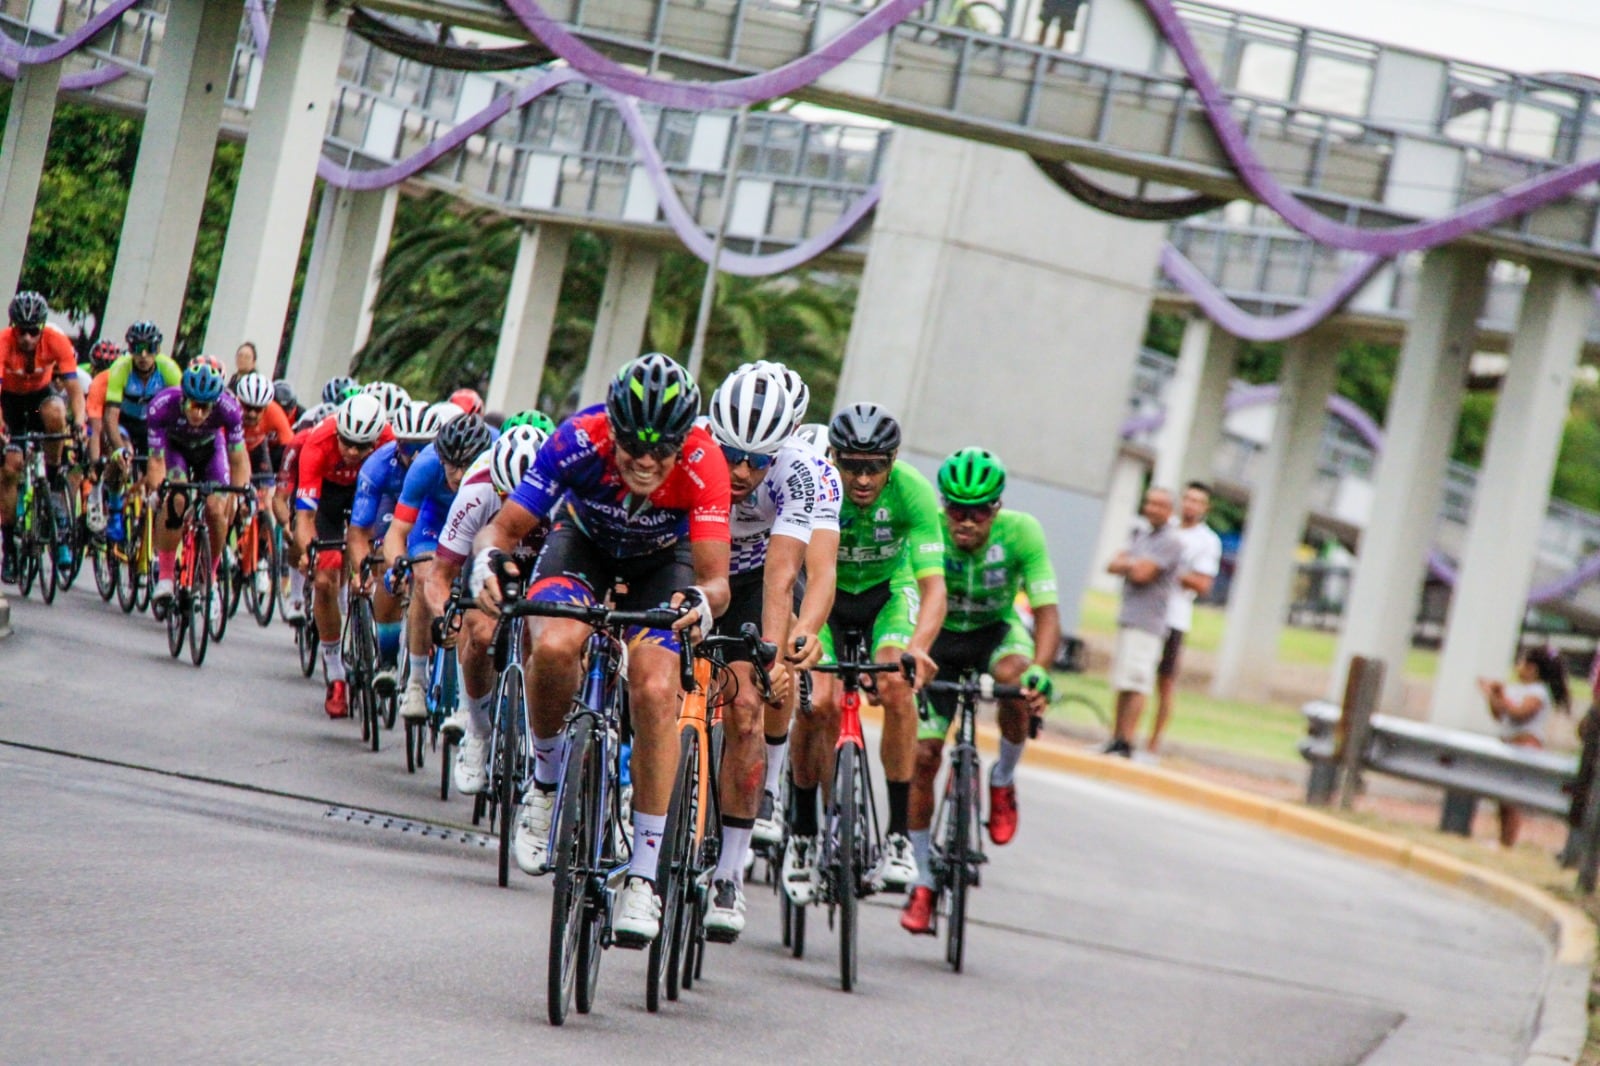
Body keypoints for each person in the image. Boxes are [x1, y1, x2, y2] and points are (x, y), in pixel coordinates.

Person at [473, 352, 729, 947]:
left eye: (659, 448)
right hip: (581, 546)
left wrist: (701, 600)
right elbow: (504, 531)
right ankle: (542, 781)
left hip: (664, 566)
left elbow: (715, 579)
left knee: (655, 686)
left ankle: (642, 875)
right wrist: (487, 563)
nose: (644, 460)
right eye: (631, 445)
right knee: (556, 643)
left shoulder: (703, 463)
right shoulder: (576, 440)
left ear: (681, 441)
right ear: (609, 428)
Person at [785, 402, 946, 902]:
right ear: (832, 456)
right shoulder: (814, 486)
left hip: (885, 596)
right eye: (850, 464)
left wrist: (918, 648)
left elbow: (933, 586)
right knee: (819, 704)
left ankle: (898, 837)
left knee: (897, 685)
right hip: (824, 600)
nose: (861, 477)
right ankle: (804, 833)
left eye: (873, 466)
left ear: (891, 463)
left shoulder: (913, 492)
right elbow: (788, 572)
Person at [698, 363, 835, 941]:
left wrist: (777, 655)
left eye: (758, 460)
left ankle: (730, 869)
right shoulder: (694, 446)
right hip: (692, 560)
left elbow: (797, 575)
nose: (742, 471)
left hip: (757, 576)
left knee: (751, 700)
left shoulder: (806, 473)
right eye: (732, 455)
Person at [901, 447, 1058, 935]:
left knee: (1016, 682)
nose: (965, 520)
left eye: (979, 511)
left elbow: (1047, 612)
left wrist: (1042, 671)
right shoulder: (927, 527)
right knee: (924, 756)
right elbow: (908, 595)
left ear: (997, 508)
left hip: (994, 632)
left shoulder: (1022, 532)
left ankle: (1003, 779)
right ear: (943, 505)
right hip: (939, 639)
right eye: (956, 509)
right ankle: (922, 880)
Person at [294, 393, 392, 718]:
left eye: (362, 447)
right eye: (346, 442)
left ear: (377, 441)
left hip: (372, 492)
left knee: (380, 560)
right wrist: (310, 550)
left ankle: (379, 640)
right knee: (325, 577)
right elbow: (306, 518)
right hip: (331, 496)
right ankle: (336, 673)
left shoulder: (390, 442)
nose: (351, 452)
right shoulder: (319, 441)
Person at [143, 361, 251, 607]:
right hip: (175, 449)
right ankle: (166, 577)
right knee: (176, 500)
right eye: (193, 405)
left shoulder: (229, 409)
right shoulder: (162, 406)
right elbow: (156, 461)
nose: (198, 414)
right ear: (183, 399)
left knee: (215, 509)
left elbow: (237, 458)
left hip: (211, 451)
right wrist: (160, 489)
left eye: (205, 408)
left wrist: (238, 495)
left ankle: (209, 576)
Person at [0, 291, 86, 583]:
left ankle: (52, 475)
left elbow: (74, 390)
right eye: (21, 331)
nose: (26, 338)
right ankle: (9, 547)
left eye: (33, 331)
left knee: (56, 412)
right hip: (9, 402)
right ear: (13, 327)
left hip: (40, 397)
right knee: (10, 468)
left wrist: (80, 424)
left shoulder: (56, 341)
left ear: (42, 327)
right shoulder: (3, 343)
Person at [1103, 486, 1183, 758]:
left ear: (1170, 510)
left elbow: (1142, 573)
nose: (1152, 509)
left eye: (1159, 505)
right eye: (1149, 503)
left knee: (1137, 682)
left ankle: (1127, 741)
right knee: (1122, 681)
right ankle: (1115, 737)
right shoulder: (1141, 535)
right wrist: (1131, 563)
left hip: (1149, 622)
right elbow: (1113, 564)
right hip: (1129, 617)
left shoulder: (1172, 541)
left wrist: (1130, 563)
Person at [1148, 481, 1222, 755]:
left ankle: (1154, 742)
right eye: (1187, 499)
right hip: (1149, 611)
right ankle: (1127, 736)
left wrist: (1168, 571)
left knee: (1165, 681)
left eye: (1197, 501)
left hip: (1175, 617)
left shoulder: (1207, 541)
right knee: (1139, 676)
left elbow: (1204, 584)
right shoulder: (1167, 529)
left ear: (1205, 507)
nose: (1191, 505)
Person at [1478, 647, 1570, 847]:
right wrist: (1493, 696)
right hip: (1510, 746)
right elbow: (1500, 714)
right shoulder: (1516, 689)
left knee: (1512, 800)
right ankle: (1502, 840)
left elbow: (1520, 713)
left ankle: (1508, 841)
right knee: (1503, 798)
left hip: (1526, 748)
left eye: (1522, 663)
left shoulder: (1538, 692)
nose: (1518, 667)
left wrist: (1502, 695)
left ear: (1532, 669)